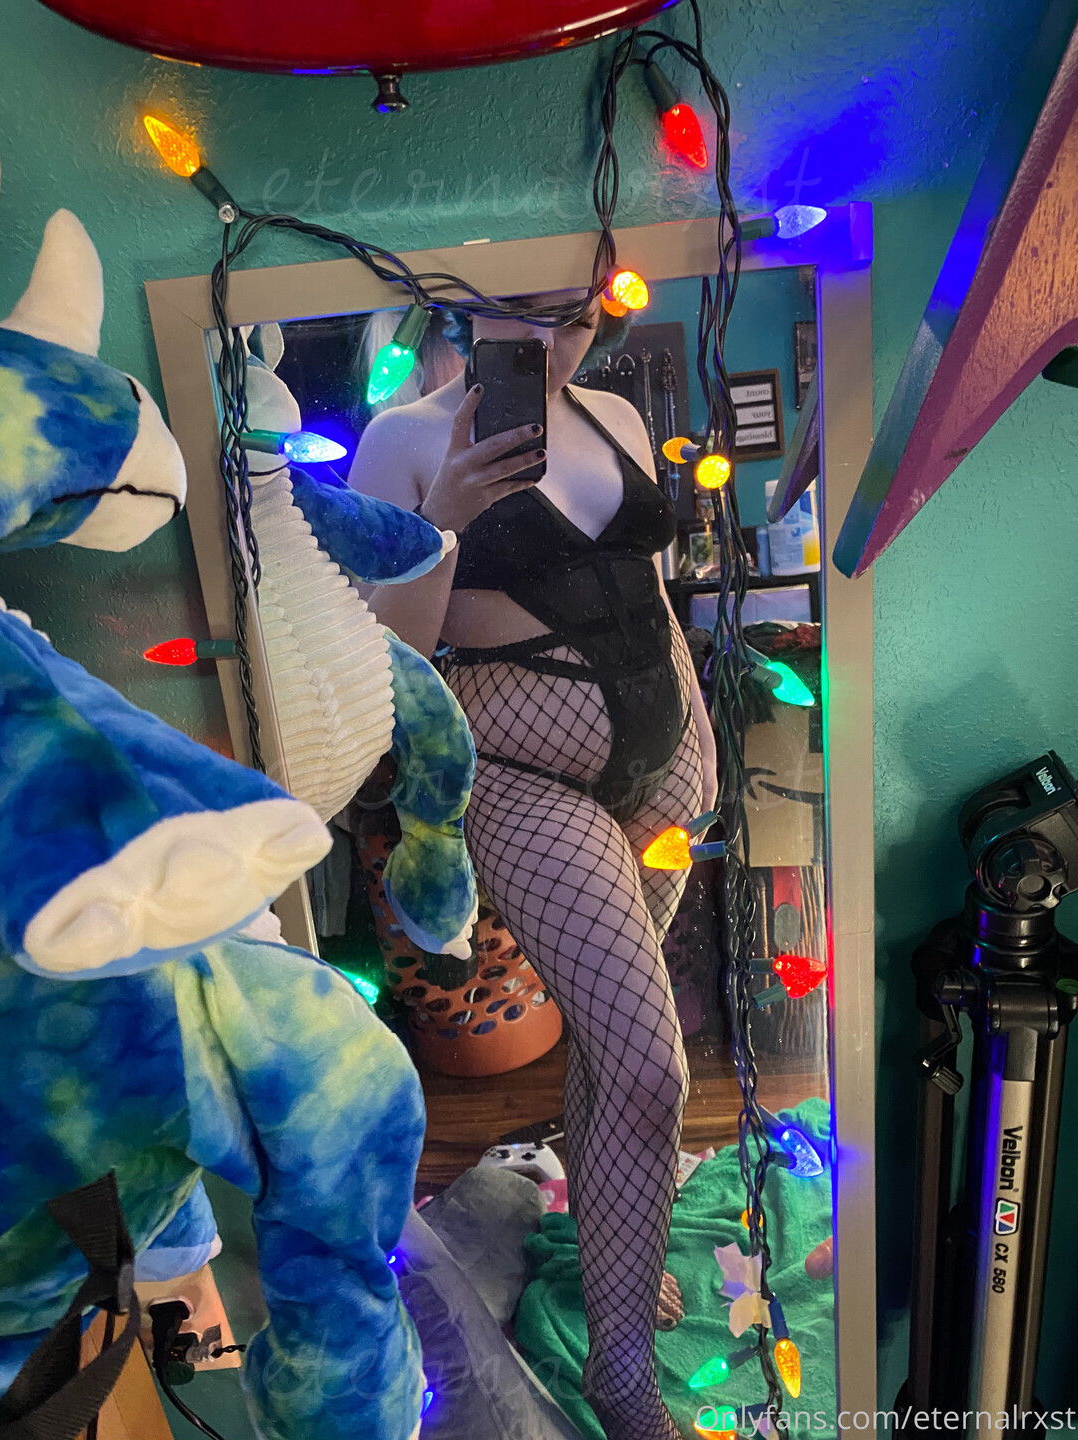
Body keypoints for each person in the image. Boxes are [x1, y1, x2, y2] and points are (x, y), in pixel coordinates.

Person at [348, 295, 718, 1440]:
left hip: (665, 761)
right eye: (526, 312)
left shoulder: (612, 411)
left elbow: (650, 594)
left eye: (574, 312)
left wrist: (696, 741)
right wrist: (447, 518)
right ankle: (623, 1380)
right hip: (521, 774)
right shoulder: (405, 439)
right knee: (650, 1068)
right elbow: (382, 658)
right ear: (463, 302)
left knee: (619, 1049)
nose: (554, 339)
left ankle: (618, 1260)